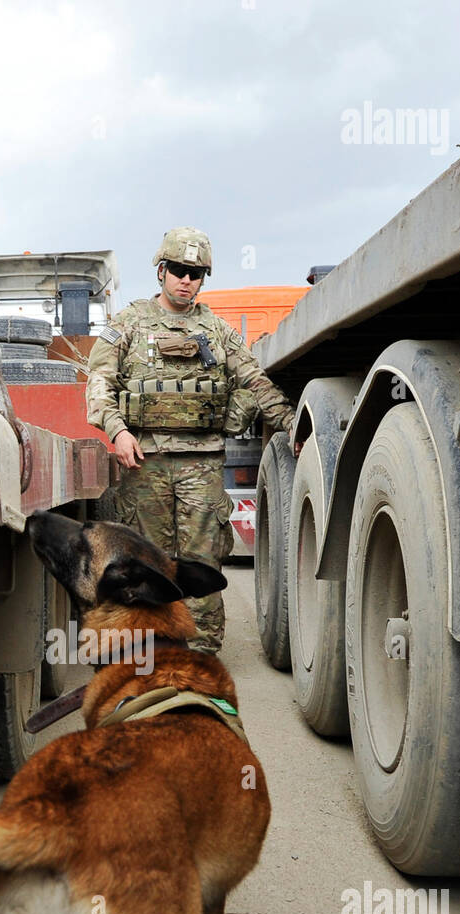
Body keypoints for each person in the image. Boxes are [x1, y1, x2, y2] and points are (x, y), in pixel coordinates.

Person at [86, 227, 296, 652]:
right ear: (162, 271)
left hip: (202, 464)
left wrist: (293, 425)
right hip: (145, 463)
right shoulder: (128, 323)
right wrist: (118, 431)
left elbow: (254, 381)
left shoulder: (217, 332)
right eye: (179, 270)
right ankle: (153, 650)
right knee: (147, 563)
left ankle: (199, 653)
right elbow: (99, 382)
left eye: (196, 274)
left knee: (201, 561)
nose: (187, 280)